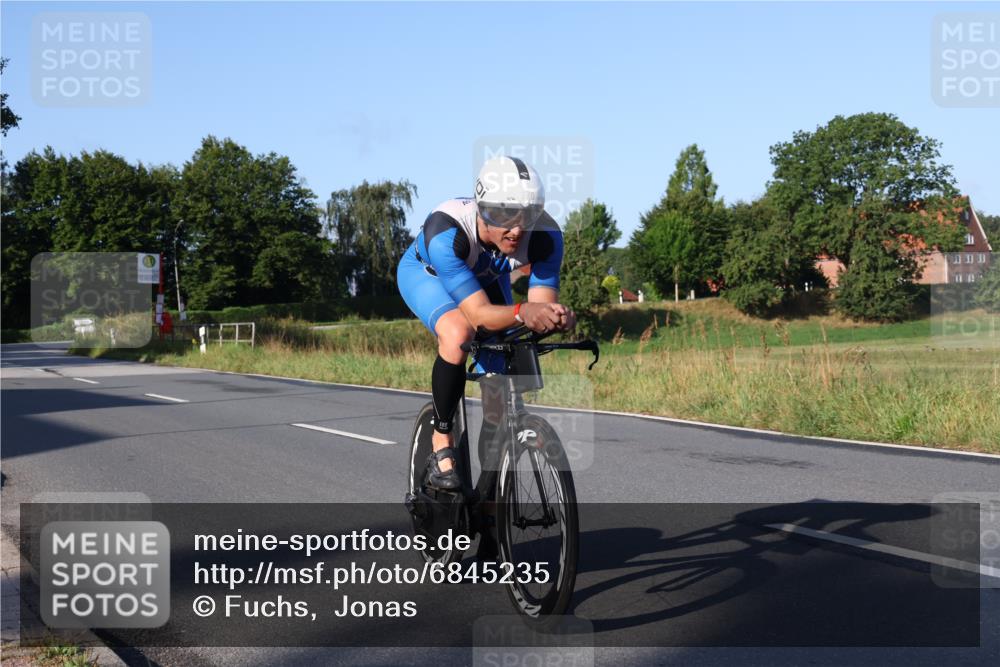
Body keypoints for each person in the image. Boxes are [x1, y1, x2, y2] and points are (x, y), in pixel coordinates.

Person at [397, 156, 576, 490]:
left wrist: (558, 317)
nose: (518, 228)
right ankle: (441, 441)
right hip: (427, 275)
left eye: (528, 215)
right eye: (504, 215)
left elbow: (538, 311)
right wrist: (524, 312)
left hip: (486, 278)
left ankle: (490, 497)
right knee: (458, 333)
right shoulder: (446, 230)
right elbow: (478, 315)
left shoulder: (546, 236)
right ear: (482, 209)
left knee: (500, 382)